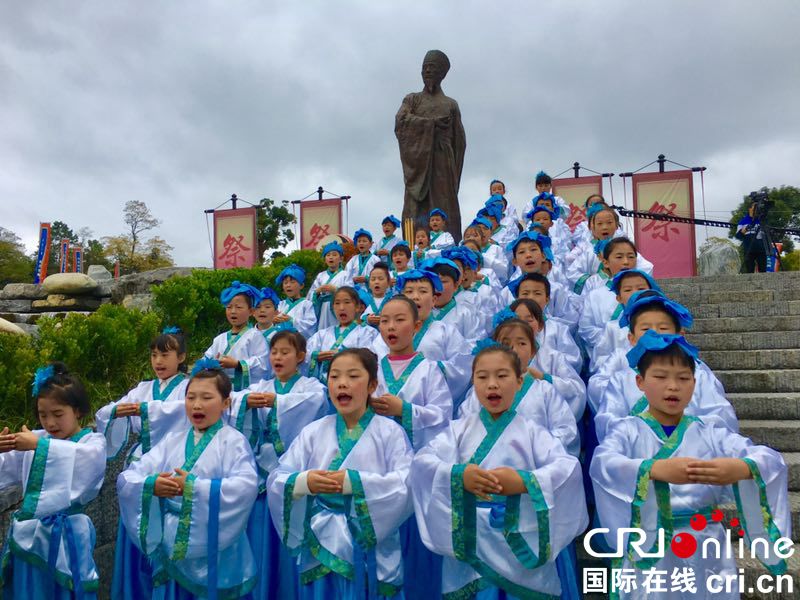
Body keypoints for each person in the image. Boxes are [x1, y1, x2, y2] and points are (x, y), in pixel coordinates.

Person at [591, 332, 790, 599]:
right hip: (649, 544)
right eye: (660, 377)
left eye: (683, 378)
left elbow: (769, 460)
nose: (672, 386)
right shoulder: (627, 430)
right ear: (640, 381)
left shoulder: (710, 432)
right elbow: (604, 463)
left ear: (694, 384)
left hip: (705, 541)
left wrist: (742, 468)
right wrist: (651, 470)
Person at [411, 344, 587, 599]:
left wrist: (525, 481)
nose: (492, 384)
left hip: (520, 535)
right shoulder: (458, 431)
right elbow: (423, 462)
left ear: (519, 382)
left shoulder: (533, 432)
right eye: (482, 377)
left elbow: (567, 468)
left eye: (502, 376)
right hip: (472, 537)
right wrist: (459, 475)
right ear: (473, 383)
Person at [267, 349, 414, 599]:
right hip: (319, 539)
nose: (342, 383)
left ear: (372, 385)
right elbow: (279, 477)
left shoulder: (390, 432)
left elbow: (406, 484)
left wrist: (354, 483)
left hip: (370, 547)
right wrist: (304, 482)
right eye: (334, 377)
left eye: (353, 376)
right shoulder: (313, 432)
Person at [117, 360, 259, 599]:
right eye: (191, 397)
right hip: (170, 541)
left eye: (206, 398)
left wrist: (195, 487)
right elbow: (129, 476)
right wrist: (151, 485)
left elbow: (245, 487)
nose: (197, 405)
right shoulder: (173, 439)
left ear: (226, 403)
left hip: (216, 546)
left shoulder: (233, 441)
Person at [229, 331, 328, 600]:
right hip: (262, 469)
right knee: (260, 534)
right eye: (274, 352)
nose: (278, 357)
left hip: (295, 469)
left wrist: (279, 403)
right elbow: (232, 400)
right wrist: (244, 402)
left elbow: (316, 402)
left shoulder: (311, 386)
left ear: (300, 356)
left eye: (285, 352)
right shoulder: (261, 387)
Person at [96, 328, 192, 600]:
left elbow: (185, 409)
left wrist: (146, 410)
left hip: (175, 461)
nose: (158, 361)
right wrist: (117, 411)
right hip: (141, 461)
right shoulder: (143, 388)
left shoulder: (188, 387)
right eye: (153, 355)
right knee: (137, 519)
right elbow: (106, 411)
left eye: (165, 354)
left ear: (181, 357)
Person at [0, 363, 106, 599]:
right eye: (43, 415)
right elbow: (6, 468)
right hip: (30, 536)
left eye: (58, 414)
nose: (49, 423)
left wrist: (39, 446)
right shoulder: (36, 439)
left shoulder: (92, 443)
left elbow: (85, 464)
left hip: (69, 537)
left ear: (77, 411)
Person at [373, 295, 452, 599]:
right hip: (380, 468)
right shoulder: (371, 368)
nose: (391, 327)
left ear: (417, 325)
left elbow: (443, 416)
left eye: (399, 320)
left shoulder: (430, 369)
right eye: (384, 320)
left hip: (418, 472)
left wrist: (404, 410)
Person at [589, 291, 738, 441]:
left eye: (663, 328)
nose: (654, 333)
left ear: (679, 334)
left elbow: (721, 415)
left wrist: (687, 432)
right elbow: (608, 420)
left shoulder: (698, 374)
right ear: (631, 338)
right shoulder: (620, 380)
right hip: (638, 452)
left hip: (694, 454)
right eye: (646, 329)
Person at [396, 49, 466, 239]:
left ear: (442, 73)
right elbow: (401, 121)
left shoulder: (451, 105)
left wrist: (453, 174)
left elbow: (459, 143)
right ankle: (412, 247)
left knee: (444, 203)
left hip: (443, 162)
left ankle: (448, 243)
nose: (427, 71)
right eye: (424, 67)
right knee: (413, 208)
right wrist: (431, 125)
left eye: (432, 67)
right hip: (417, 162)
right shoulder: (412, 99)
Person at [372, 269, 473, 403]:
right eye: (409, 292)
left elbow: (462, 367)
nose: (415, 297)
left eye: (423, 291)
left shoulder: (446, 332)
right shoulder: (383, 337)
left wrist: (425, 369)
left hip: (428, 404)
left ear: (433, 300)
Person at [204, 280, 268, 391]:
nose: (233, 311)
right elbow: (205, 359)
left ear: (251, 311)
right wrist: (210, 364)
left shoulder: (255, 336)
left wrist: (238, 364)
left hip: (245, 392)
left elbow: (263, 364)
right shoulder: (220, 339)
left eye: (238, 307)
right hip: (221, 391)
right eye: (229, 307)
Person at [306, 287, 379, 383]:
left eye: (347, 302)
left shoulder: (369, 333)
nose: (341, 308)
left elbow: (372, 360)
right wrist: (316, 356)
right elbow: (306, 356)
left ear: (357, 307)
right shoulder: (321, 335)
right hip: (323, 390)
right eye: (337, 303)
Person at [421, 257, 482, 345]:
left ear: (456, 285)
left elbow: (473, 345)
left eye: (443, 281)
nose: (437, 287)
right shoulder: (419, 314)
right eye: (432, 282)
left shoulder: (465, 313)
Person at [307, 241, 350, 331]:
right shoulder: (320, 276)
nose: (331, 257)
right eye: (328, 255)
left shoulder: (345, 274)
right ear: (325, 259)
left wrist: (336, 290)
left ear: (341, 258)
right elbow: (310, 295)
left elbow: (351, 293)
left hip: (338, 308)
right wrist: (317, 292)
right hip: (323, 309)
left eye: (334, 255)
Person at [274, 263, 317, 339]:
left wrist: (291, 321)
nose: (288, 285)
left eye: (292, 282)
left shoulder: (307, 304)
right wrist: (273, 321)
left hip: (298, 343)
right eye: (285, 283)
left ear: (301, 285)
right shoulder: (280, 304)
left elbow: (311, 325)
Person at [736, 200, 769, 273]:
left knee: (763, 271)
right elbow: (738, 236)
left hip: (761, 250)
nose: (757, 209)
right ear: (750, 209)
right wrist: (743, 231)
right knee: (750, 271)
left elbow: (767, 234)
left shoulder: (761, 220)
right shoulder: (743, 221)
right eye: (755, 207)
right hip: (748, 250)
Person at [362, 261, 394, 327]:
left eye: (381, 279)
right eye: (373, 279)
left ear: (388, 283)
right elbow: (359, 321)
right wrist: (367, 319)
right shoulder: (364, 300)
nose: (376, 282)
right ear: (369, 285)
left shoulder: (393, 301)